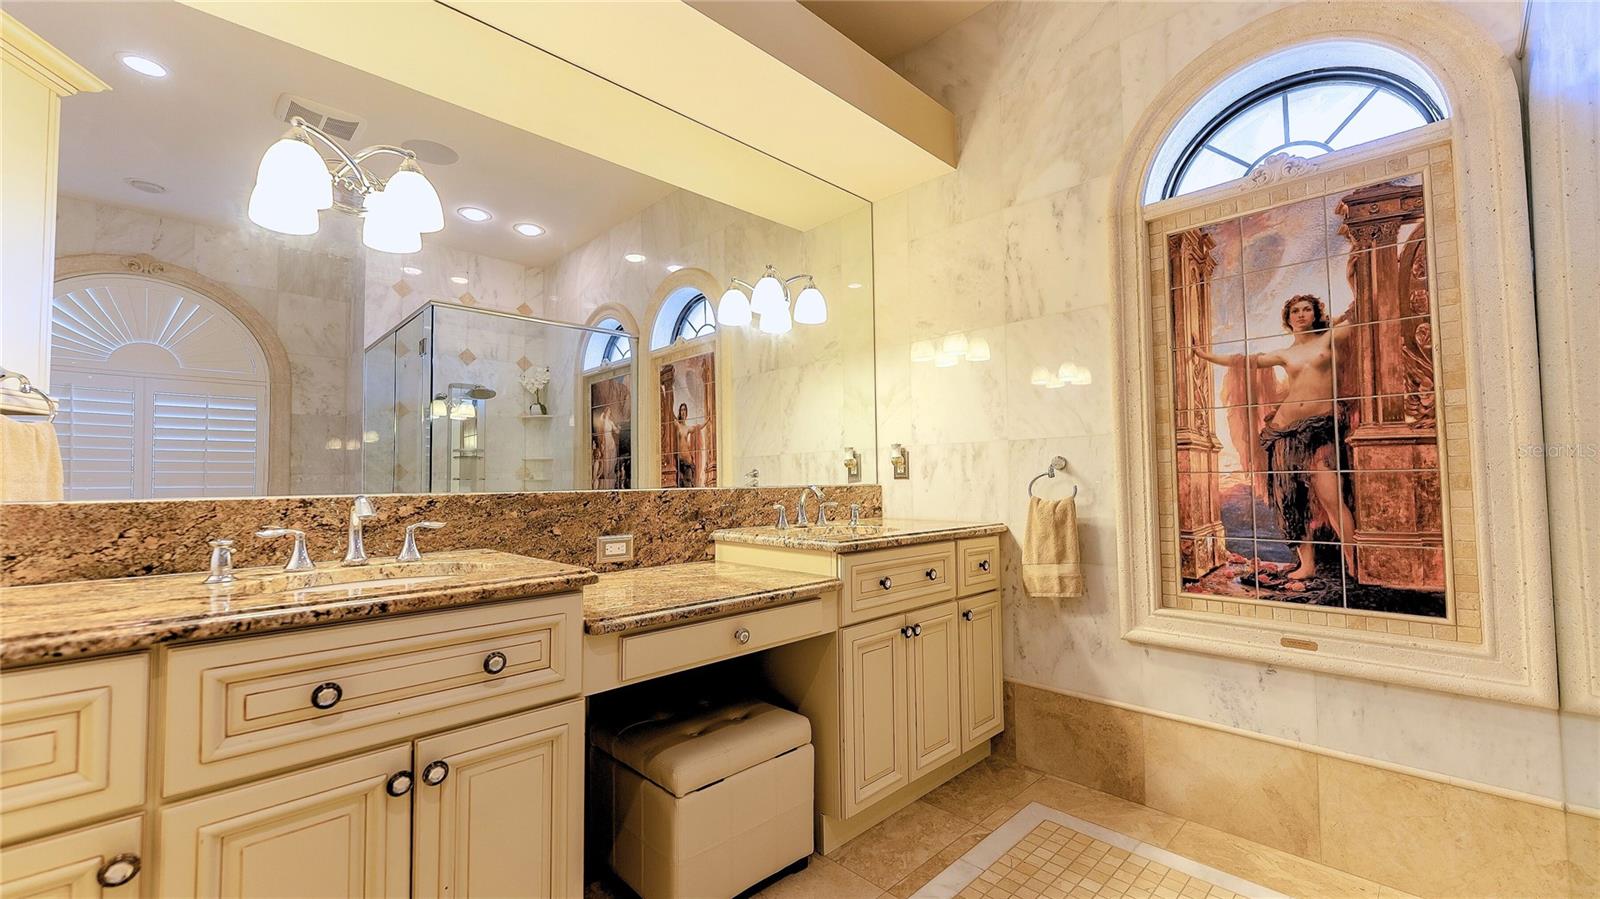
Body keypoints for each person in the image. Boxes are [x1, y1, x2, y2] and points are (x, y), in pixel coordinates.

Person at [1193, 294, 1357, 581]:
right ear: (1288, 318)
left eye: (1307, 309)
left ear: (1316, 314)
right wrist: (1205, 356)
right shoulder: (1284, 354)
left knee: (1332, 497)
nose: (1301, 314)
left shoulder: (1330, 337)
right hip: (1283, 432)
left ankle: (1355, 563)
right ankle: (1307, 565)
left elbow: (1363, 312)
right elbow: (1244, 362)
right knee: (1292, 500)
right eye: (1295, 310)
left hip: (1319, 428)